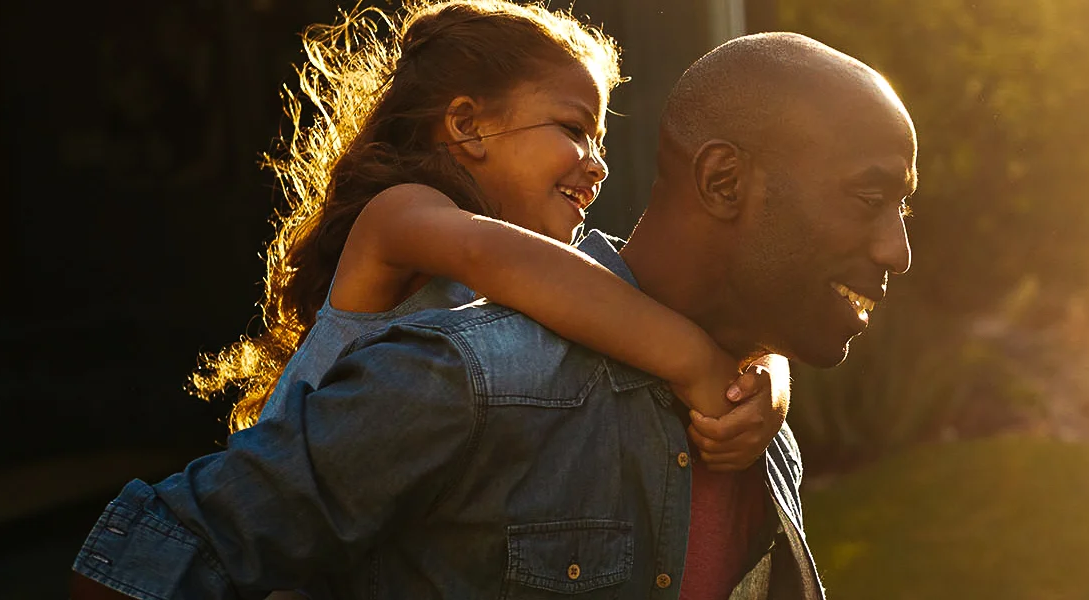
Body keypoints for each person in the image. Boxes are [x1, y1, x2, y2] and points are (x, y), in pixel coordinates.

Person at [70, 22, 916, 600]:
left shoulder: (757, 432)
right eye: (870, 199)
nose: (897, 252)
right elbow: (144, 562)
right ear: (723, 181)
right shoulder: (470, 365)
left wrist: (760, 374)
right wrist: (700, 362)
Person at [187, 0, 783, 473]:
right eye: (575, 129)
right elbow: (498, 256)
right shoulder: (401, 218)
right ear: (468, 126)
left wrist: (767, 380)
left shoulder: (539, 272)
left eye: (600, 141)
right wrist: (699, 364)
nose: (598, 165)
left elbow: (641, 299)